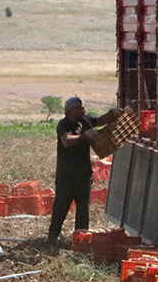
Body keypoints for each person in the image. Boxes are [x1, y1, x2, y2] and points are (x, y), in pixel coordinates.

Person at [47, 96, 120, 240]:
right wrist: (84, 136)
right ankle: (52, 235)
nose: (83, 110)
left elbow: (99, 121)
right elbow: (67, 141)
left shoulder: (85, 121)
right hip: (67, 174)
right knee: (61, 205)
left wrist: (112, 114)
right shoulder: (64, 125)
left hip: (84, 174)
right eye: (80, 108)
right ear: (71, 110)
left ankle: (80, 238)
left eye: (83, 107)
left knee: (83, 208)